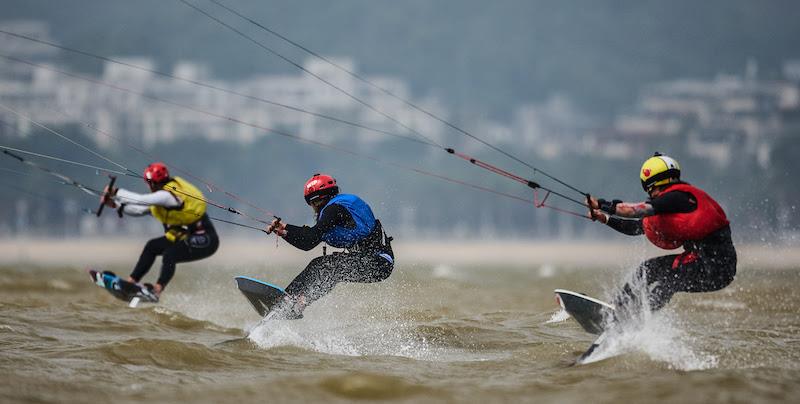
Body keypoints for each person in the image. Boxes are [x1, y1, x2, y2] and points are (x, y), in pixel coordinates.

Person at [587, 152, 736, 314]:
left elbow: (633, 211)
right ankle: (617, 309)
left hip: (716, 268)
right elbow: (636, 228)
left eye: (650, 190)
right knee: (647, 269)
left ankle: (634, 318)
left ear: (654, 185)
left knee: (669, 281)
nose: (651, 196)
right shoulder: (672, 205)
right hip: (699, 262)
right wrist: (605, 218)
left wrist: (601, 204)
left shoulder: (678, 198)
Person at [266, 173, 394, 317]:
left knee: (323, 265)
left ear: (317, 200)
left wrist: (286, 231)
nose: (313, 208)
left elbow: (309, 241)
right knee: (332, 271)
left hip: (378, 261)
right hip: (379, 265)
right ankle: (299, 303)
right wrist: (285, 230)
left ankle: (287, 299)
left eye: (312, 203)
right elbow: (308, 238)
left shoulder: (334, 210)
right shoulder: (336, 211)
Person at [100, 162, 219, 298]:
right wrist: (115, 204)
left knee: (170, 254)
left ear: (152, 183)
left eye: (148, 183)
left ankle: (157, 290)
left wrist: (116, 192)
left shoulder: (167, 196)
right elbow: (138, 210)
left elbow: (140, 200)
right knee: (152, 246)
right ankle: (130, 283)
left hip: (207, 239)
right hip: (186, 236)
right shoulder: (161, 200)